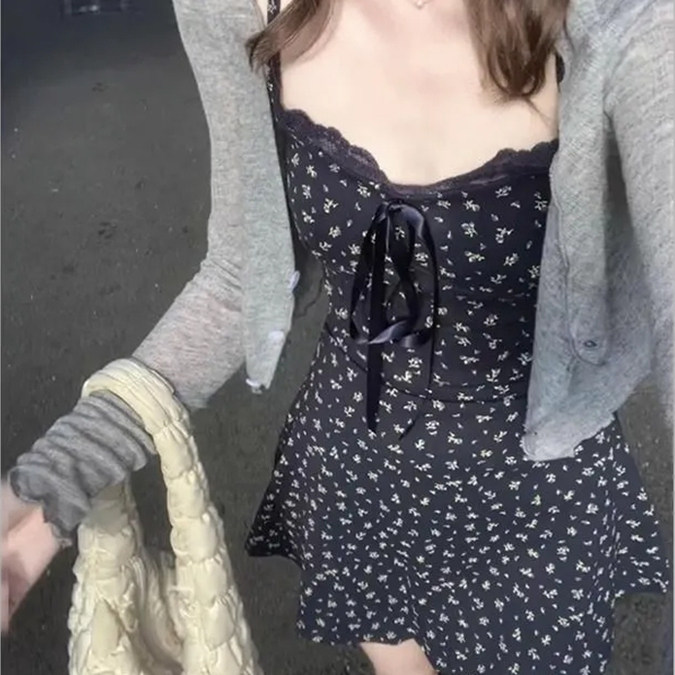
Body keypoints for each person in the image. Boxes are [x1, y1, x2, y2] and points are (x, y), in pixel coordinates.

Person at [2, 0, 673, 673]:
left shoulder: (624, 24)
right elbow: (243, 277)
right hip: (356, 476)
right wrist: (56, 481)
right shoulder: (243, 9)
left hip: (534, 505)